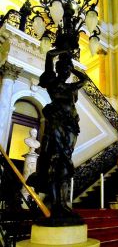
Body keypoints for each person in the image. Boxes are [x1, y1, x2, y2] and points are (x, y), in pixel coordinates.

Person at [27, 48, 87, 222]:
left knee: (66, 161)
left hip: (71, 126)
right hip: (57, 123)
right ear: (58, 69)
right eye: (63, 68)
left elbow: (83, 79)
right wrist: (64, 49)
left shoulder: (71, 86)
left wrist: (73, 66)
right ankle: (55, 204)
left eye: (68, 69)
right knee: (57, 161)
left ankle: (63, 204)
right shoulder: (52, 82)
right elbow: (49, 56)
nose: (66, 71)